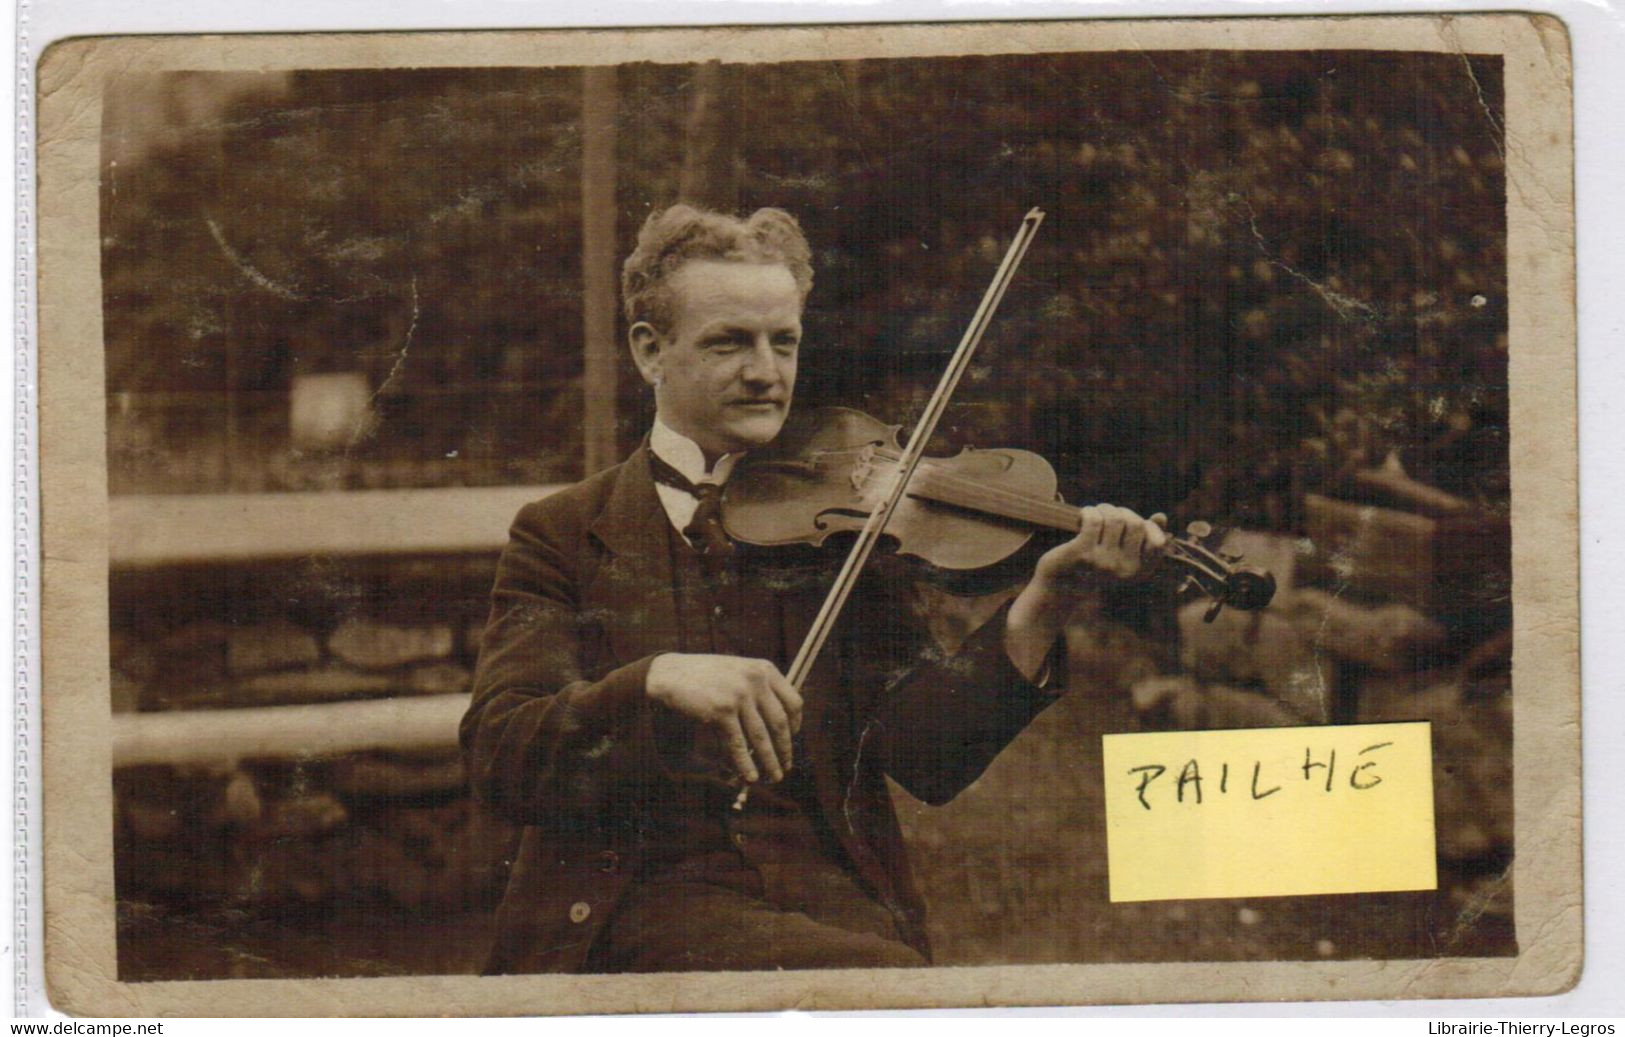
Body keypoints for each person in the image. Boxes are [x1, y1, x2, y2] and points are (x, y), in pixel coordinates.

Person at [460, 204, 1167, 974]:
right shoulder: (562, 531)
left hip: (822, 893)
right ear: (649, 350)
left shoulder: (848, 530)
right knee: (881, 986)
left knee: (882, 975)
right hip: (632, 901)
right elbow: (504, 753)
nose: (766, 372)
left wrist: (1042, 604)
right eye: (729, 342)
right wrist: (656, 680)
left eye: (783, 341)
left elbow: (924, 754)